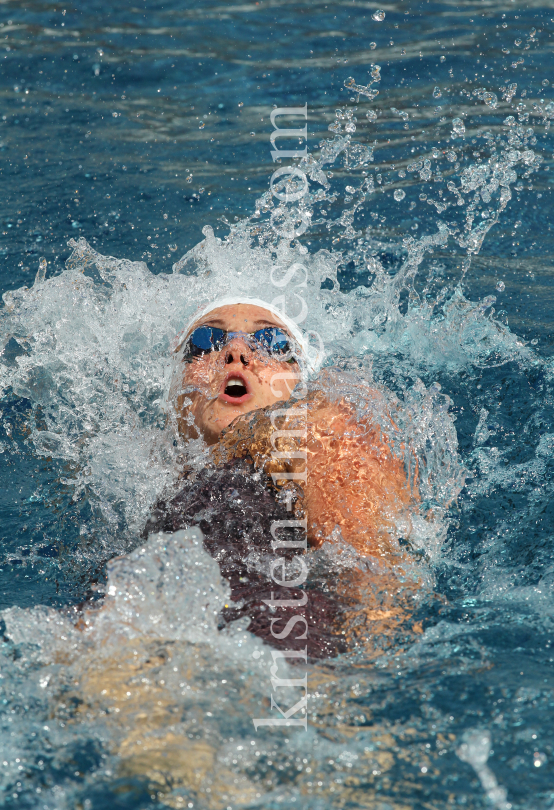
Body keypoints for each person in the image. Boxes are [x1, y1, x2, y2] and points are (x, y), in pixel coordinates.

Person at [144, 297, 421, 659]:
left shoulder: (309, 433)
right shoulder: (144, 476)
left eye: (273, 342)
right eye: (205, 339)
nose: (236, 351)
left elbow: (375, 580)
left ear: (299, 386)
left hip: (269, 636)